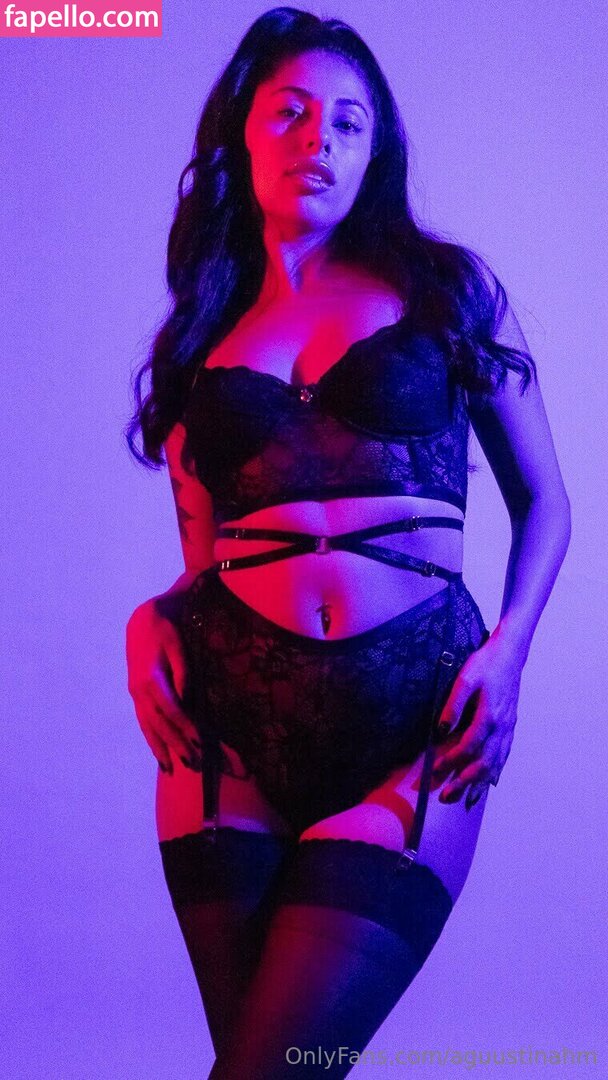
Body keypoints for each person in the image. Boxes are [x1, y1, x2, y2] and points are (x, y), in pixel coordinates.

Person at [124, 8, 571, 1077]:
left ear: (376, 151)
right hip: (226, 737)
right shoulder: (203, 332)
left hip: (417, 726)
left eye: (347, 120)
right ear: (242, 132)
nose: (317, 137)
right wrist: (148, 621)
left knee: (278, 1068)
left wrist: (508, 652)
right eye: (289, 112)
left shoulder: (448, 293)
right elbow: (203, 561)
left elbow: (545, 503)